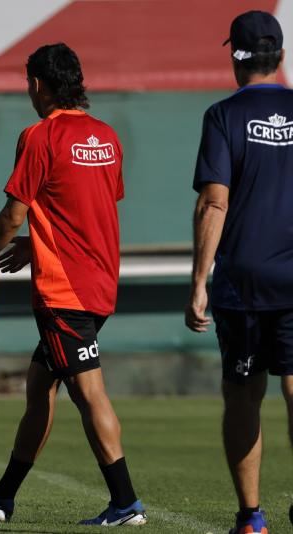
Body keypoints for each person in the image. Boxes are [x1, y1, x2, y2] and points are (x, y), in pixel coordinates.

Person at [0, 43, 145, 526]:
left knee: (89, 394)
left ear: (37, 84)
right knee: (40, 383)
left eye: (27, 84)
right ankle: (2, 495)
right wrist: (36, 244)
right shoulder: (106, 137)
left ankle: (125, 502)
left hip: (66, 292)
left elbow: (11, 214)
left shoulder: (39, 136)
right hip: (100, 281)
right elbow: (87, 208)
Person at [186, 10, 293, 534]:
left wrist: (199, 282)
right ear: (282, 57)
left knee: (244, 393)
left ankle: (252, 518)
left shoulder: (222, 116)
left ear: (235, 58)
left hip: (243, 281)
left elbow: (213, 203)